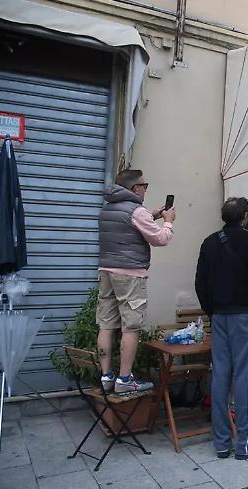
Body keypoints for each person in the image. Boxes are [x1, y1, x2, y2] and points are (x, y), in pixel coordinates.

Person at [195, 197, 248, 459]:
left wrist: (212, 310)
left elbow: (200, 283)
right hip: (246, 315)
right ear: (245, 216)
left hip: (219, 315)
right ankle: (246, 443)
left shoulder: (209, 242)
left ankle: (221, 442)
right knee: (246, 375)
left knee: (220, 376)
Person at [96, 169, 174, 394]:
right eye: (144, 185)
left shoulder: (107, 209)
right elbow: (160, 239)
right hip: (130, 274)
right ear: (134, 189)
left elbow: (126, 224)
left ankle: (106, 377)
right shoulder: (136, 211)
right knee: (131, 327)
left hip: (107, 272)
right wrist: (168, 222)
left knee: (106, 324)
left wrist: (153, 215)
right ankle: (124, 379)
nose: (145, 189)